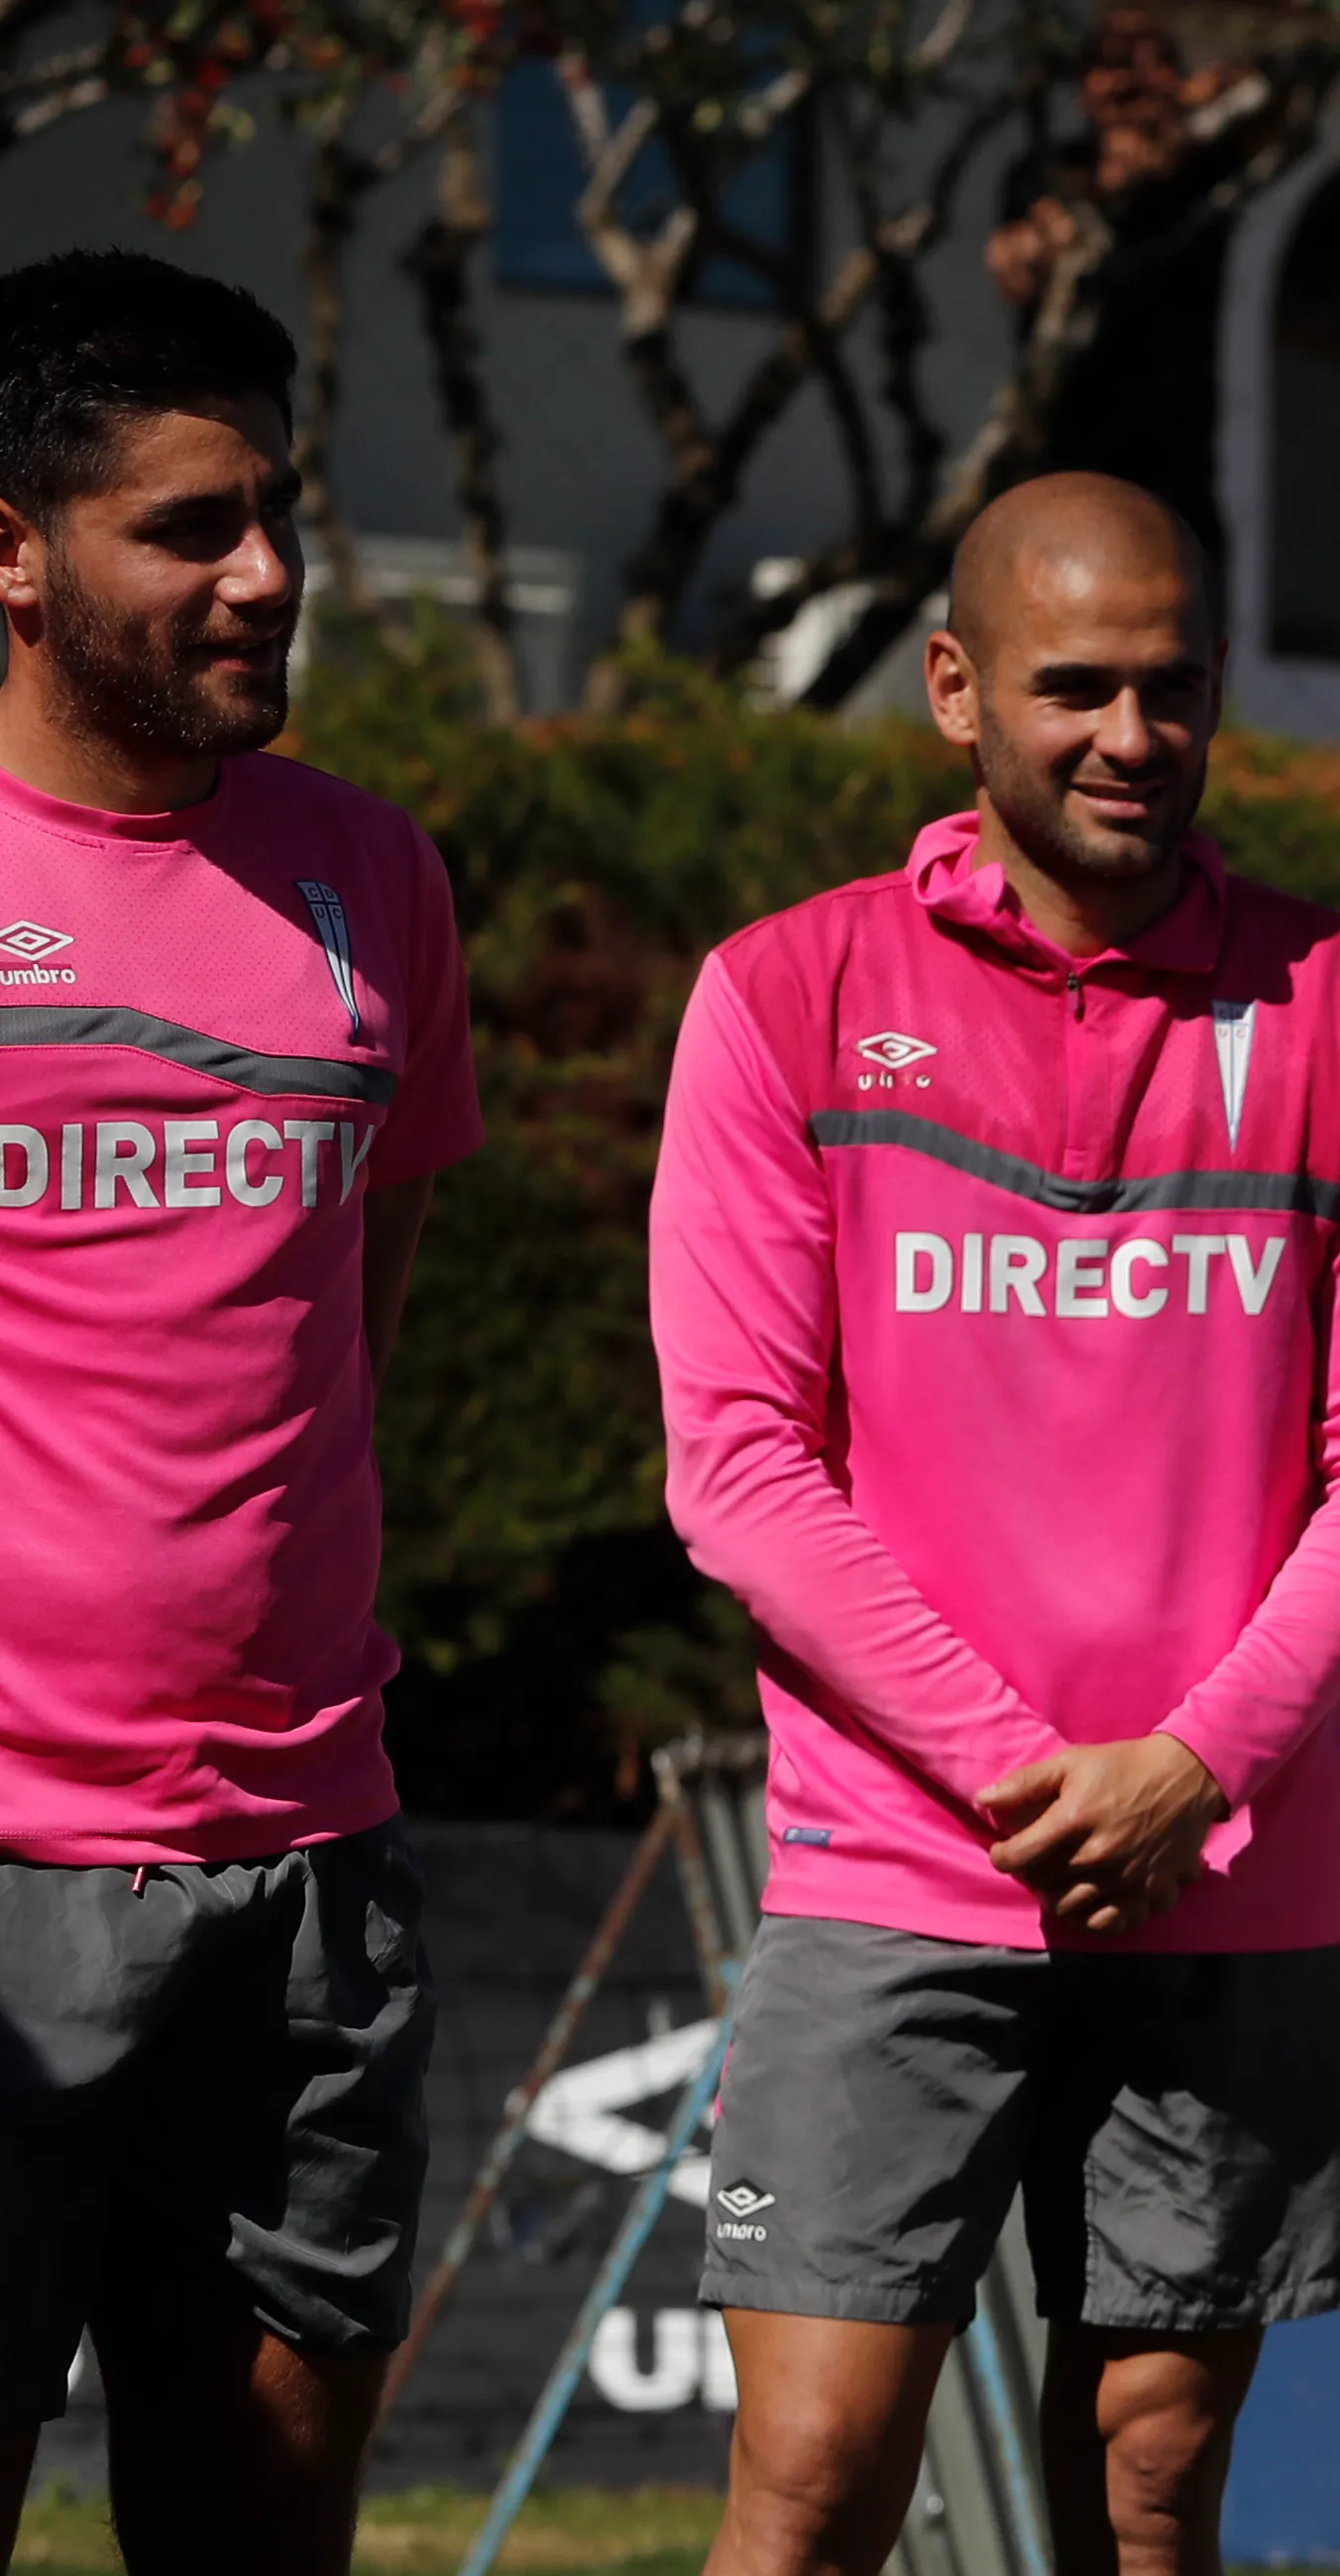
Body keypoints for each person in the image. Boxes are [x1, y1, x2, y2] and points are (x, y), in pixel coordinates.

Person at [649, 473, 1340, 2576]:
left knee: (1152, 2477)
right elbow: (738, 1462)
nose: (1131, 733)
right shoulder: (784, 992)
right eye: (1075, 686)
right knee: (814, 2470)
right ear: (955, 690)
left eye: (1172, 686)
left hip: (1228, 1860)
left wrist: (1194, 1764)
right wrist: (1031, 1773)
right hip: (901, 1854)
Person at [0, 251, 481, 2576]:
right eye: (189, 527)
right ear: (12, 551)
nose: (268, 570)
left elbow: (352, 1318)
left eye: (276, 509)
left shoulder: (373, 875)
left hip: (306, 1861)